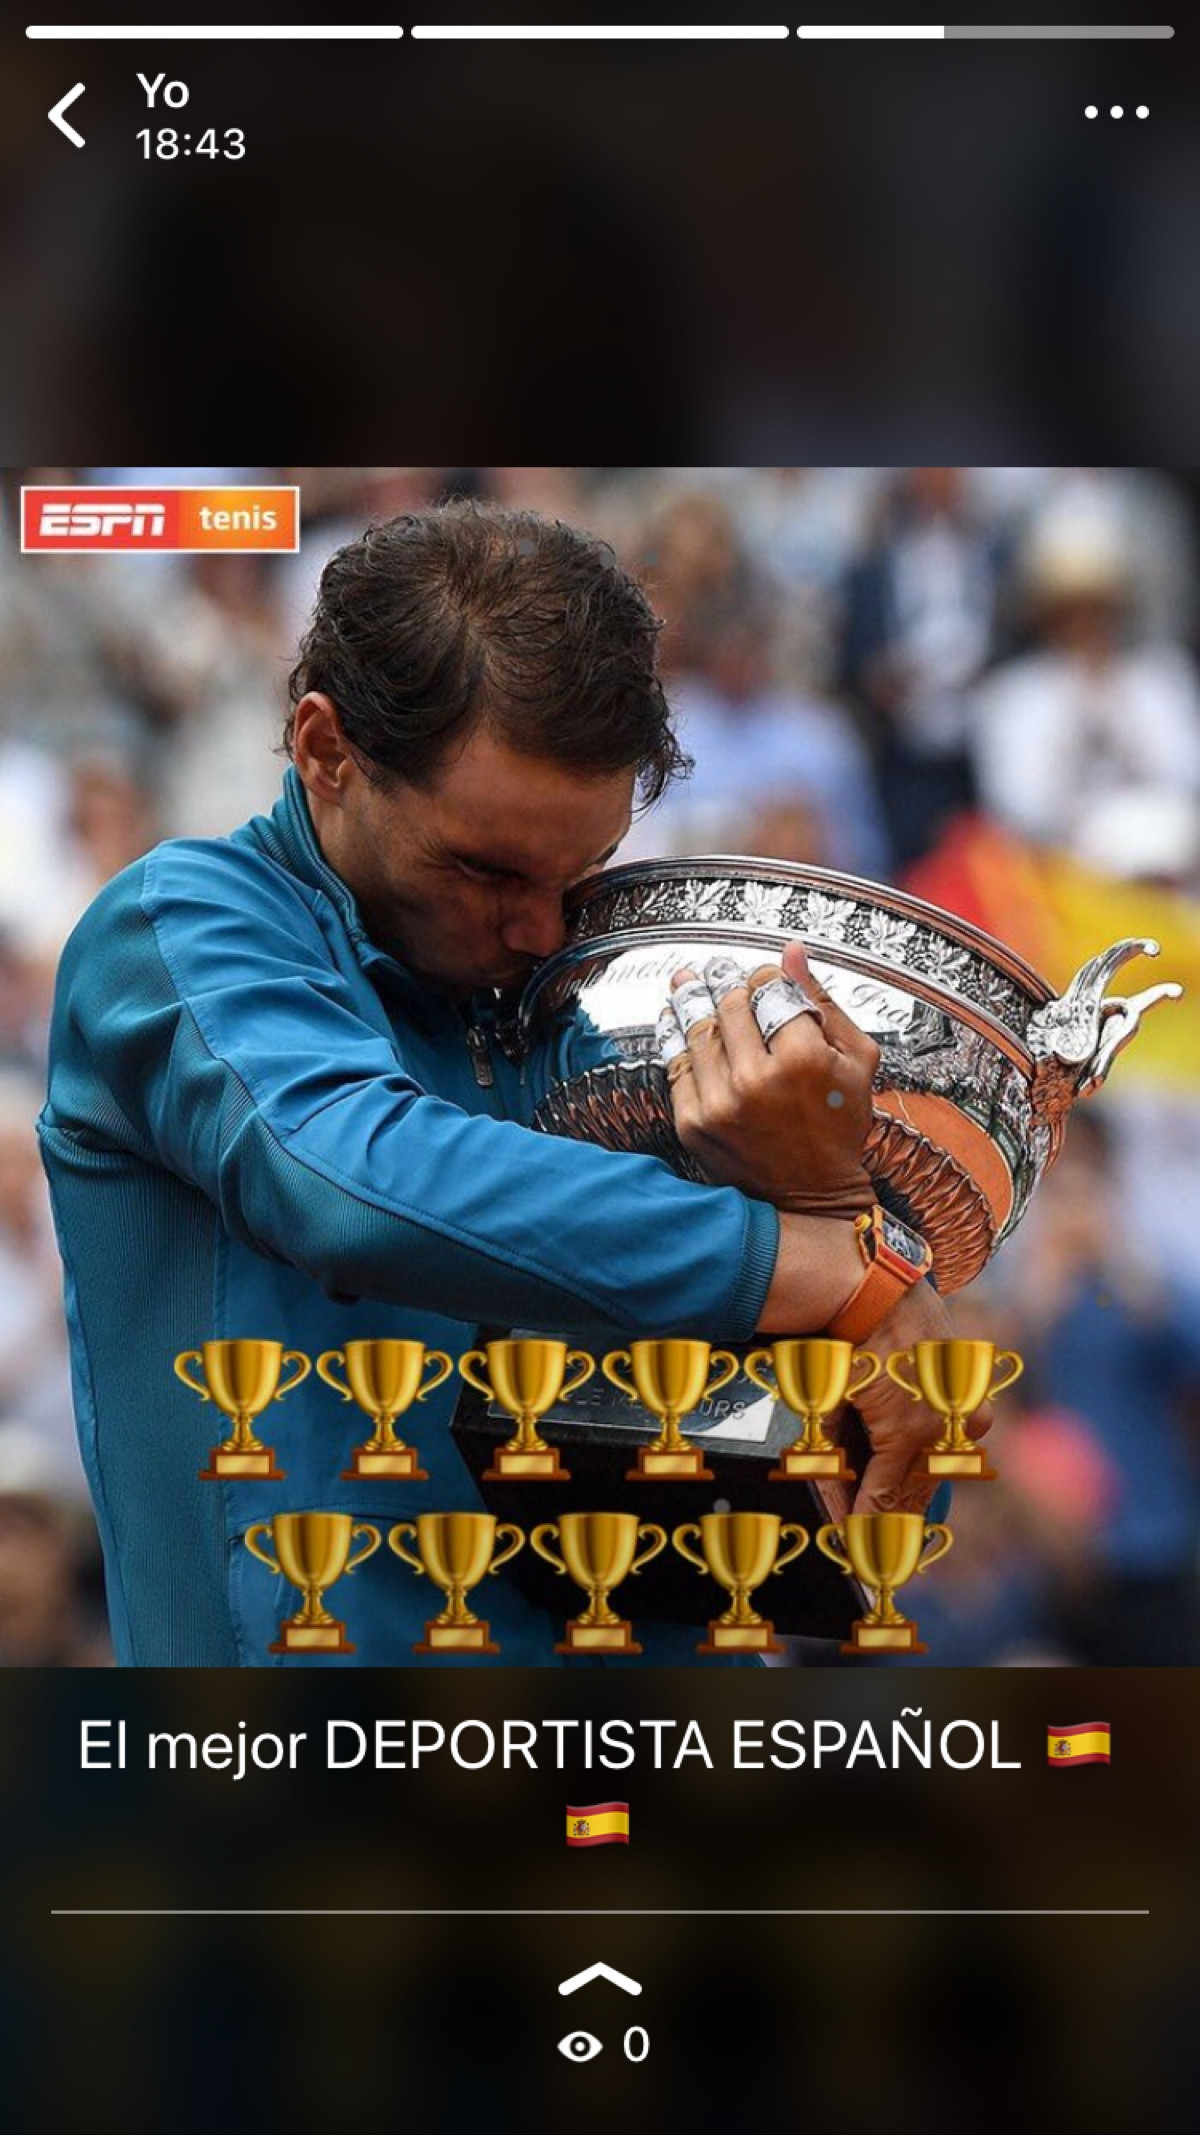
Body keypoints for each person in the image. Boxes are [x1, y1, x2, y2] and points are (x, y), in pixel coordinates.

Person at [39, 502, 968, 1667]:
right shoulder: (179, 930)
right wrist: (815, 1263)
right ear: (325, 751)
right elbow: (349, 1186)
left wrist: (833, 1204)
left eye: (582, 871)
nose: (541, 929)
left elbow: (857, 1533)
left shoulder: (618, 996)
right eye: (485, 869)